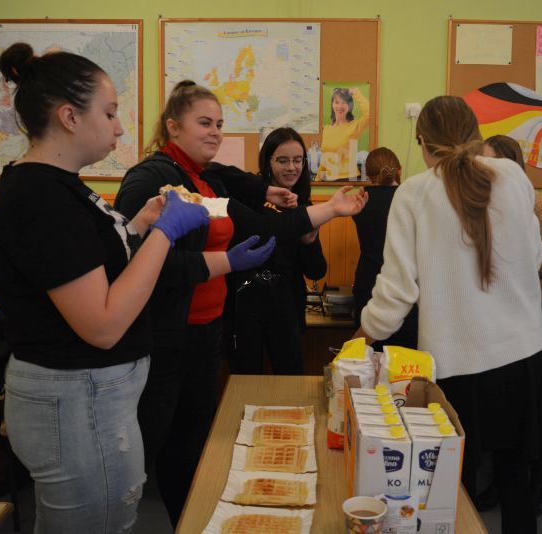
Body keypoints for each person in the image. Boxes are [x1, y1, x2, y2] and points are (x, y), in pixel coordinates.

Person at [114, 80, 367, 526]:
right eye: (204, 123)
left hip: (205, 333)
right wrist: (223, 262)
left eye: (219, 124)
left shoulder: (207, 179)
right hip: (165, 340)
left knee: (193, 444)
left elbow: (269, 226)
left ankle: (187, 521)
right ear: (173, 126)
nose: (215, 132)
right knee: (149, 449)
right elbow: (141, 264)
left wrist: (330, 209)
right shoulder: (149, 179)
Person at [0, 44, 209, 532]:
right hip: (76, 403)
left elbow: (86, 261)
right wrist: (165, 234)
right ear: (69, 117)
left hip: (85, 401)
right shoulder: (43, 196)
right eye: (109, 113)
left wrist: (140, 224)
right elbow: (102, 325)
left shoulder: (59, 185)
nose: (120, 127)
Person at [355, 96, 542, 534]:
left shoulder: (414, 193)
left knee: (450, 487)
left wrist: (360, 339)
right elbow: (536, 256)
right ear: (476, 134)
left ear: (423, 143)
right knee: (514, 478)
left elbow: (396, 293)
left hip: (460, 368)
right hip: (526, 357)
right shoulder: (513, 176)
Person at [484, 134, 542, 514]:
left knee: (537, 403)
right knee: (501, 404)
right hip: (496, 313)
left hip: (532, 311)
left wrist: (512, 260)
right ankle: (501, 482)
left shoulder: (537, 205)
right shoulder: (482, 206)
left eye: (491, 161)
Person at [227, 127, 327, 375]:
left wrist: (309, 243)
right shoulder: (248, 198)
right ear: (268, 162)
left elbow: (316, 271)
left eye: (297, 160)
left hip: (286, 307)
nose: (291, 167)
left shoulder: (304, 206)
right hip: (245, 303)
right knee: (246, 380)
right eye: (282, 160)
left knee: (291, 378)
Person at [351, 147, 418, 350]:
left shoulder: (361, 202)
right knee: (404, 358)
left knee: (367, 355)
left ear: (368, 175)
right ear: (399, 170)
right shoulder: (411, 200)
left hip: (368, 283)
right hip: (406, 286)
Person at [316, 86, 371, 181]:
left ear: (349, 106)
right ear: (332, 105)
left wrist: (356, 93)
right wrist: (317, 180)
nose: (340, 106)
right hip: (329, 180)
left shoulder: (354, 126)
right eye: (336, 102)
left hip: (348, 179)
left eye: (344, 103)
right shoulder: (327, 129)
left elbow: (370, 113)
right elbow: (325, 157)